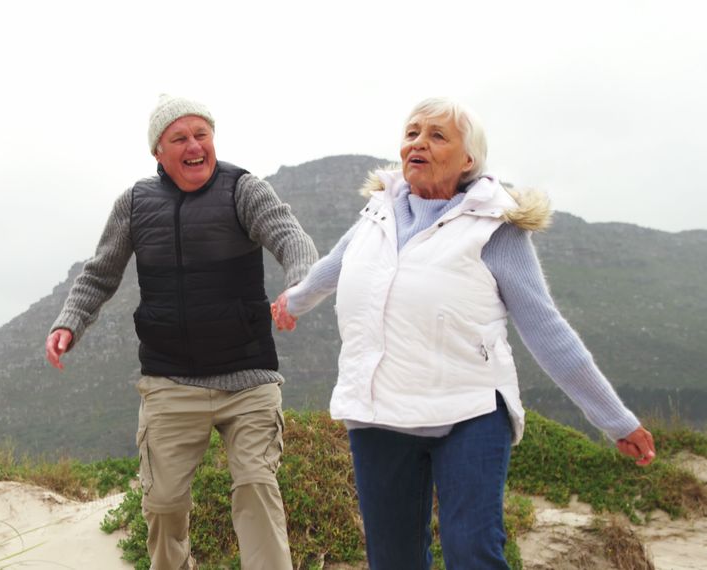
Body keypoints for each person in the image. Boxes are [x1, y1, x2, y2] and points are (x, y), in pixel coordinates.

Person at [271, 97, 656, 569]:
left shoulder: (496, 228)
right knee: (393, 560)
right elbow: (334, 267)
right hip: (380, 409)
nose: (419, 143)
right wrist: (295, 300)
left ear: (469, 159)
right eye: (413, 133)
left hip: (470, 410)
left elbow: (546, 330)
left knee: (472, 551)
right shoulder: (379, 214)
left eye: (437, 136)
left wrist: (614, 418)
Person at [45, 94, 318, 570]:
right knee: (164, 505)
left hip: (248, 378)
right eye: (180, 138)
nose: (195, 146)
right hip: (171, 382)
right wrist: (70, 322)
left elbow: (290, 237)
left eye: (202, 135)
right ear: (158, 152)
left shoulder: (244, 190)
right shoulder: (135, 204)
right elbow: (99, 273)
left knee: (256, 485)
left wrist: (298, 287)